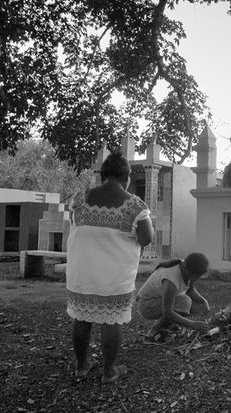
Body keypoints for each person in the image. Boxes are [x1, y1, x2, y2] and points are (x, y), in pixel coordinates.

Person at [66, 152, 153, 384]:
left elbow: (75, 226)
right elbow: (146, 238)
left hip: (82, 271)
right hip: (115, 273)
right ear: (127, 177)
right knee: (111, 320)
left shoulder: (79, 199)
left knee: (82, 318)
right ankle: (108, 371)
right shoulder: (135, 205)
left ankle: (82, 366)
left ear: (102, 175)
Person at [137, 253, 211, 343]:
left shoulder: (185, 268)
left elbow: (190, 290)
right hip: (147, 305)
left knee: (196, 305)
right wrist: (192, 324)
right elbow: (167, 312)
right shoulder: (170, 280)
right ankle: (153, 333)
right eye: (198, 276)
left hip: (158, 301)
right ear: (190, 272)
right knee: (185, 302)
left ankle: (169, 325)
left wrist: (204, 301)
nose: (198, 278)